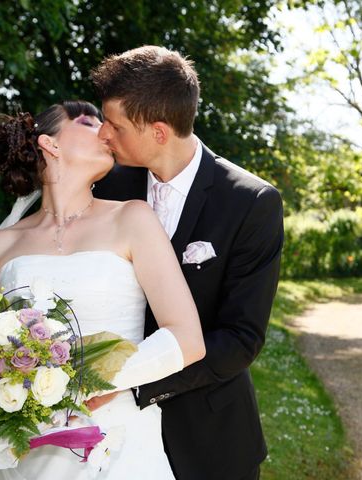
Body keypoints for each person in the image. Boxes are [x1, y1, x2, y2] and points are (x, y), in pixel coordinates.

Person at [0, 100, 205, 480]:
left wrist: (77, 385)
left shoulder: (133, 218)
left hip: (115, 443)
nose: (105, 131)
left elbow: (187, 339)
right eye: (90, 122)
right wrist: (2, 405)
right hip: (21, 450)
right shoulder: (0, 245)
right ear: (50, 144)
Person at [90, 46, 284, 480]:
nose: (104, 134)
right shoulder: (106, 188)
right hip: (106, 437)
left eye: (116, 125)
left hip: (210, 437)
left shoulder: (252, 203)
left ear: (158, 132)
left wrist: (131, 379)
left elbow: (241, 338)